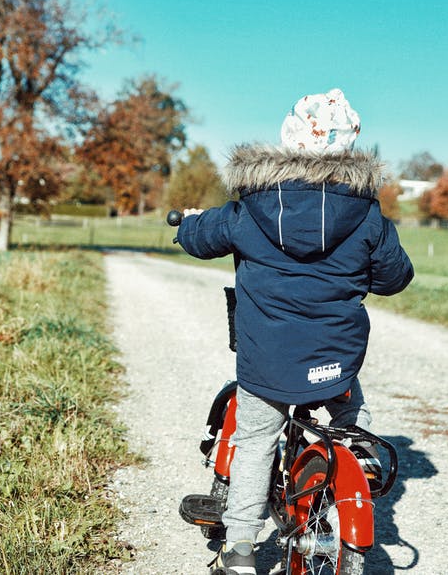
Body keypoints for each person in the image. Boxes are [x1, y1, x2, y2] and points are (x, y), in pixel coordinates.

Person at [175, 89, 414, 574]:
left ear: (288, 139)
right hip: (334, 356)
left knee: (257, 440)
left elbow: (200, 240)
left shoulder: (250, 208)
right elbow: (395, 278)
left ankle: (240, 547)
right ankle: (354, 445)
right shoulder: (368, 214)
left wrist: (187, 226)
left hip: (268, 360)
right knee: (346, 401)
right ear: (350, 148)